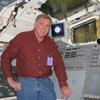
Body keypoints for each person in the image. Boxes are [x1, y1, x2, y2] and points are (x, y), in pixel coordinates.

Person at [1, 14, 71, 100]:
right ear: (35, 24)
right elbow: (5, 57)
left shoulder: (51, 43)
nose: (44, 28)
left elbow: (58, 64)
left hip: (45, 83)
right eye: (41, 24)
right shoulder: (22, 38)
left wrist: (63, 85)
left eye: (47, 26)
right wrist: (10, 80)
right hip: (26, 83)